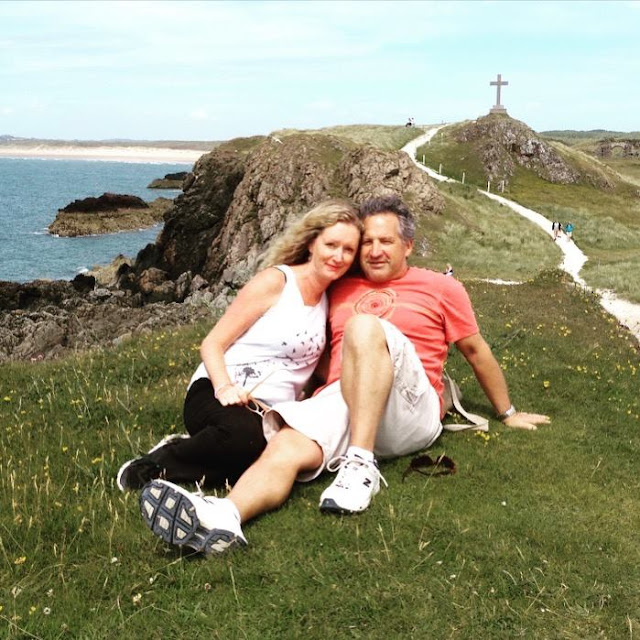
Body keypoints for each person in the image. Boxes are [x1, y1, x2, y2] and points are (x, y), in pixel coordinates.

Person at [138, 195, 550, 556]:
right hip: (345, 397)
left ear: (408, 245)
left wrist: (508, 412)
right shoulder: (339, 287)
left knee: (364, 327)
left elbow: (476, 351)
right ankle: (224, 516)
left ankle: (360, 464)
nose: (374, 251)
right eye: (366, 243)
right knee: (286, 444)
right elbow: (318, 351)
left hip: (409, 408)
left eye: (386, 241)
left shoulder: (441, 288)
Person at [117, 200, 362, 492]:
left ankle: (198, 448)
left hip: (267, 412)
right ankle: (156, 463)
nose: (338, 256)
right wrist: (225, 388)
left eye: (348, 250)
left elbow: (315, 366)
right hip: (216, 390)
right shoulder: (277, 282)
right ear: (311, 243)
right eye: (331, 245)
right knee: (243, 439)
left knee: (264, 462)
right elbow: (212, 343)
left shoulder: (331, 300)